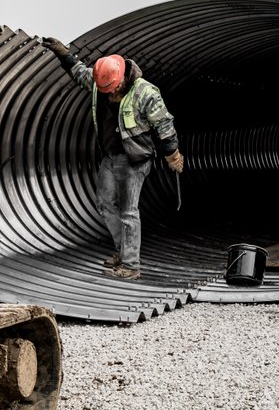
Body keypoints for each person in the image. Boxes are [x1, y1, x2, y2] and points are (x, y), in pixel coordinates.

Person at [43, 37, 184, 280]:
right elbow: (78, 73)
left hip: (135, 159)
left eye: (112, 90)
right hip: (111, 155)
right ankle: (122, 251)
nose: (109, 95)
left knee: (129, 212)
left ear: (121, 80)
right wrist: (63, 53)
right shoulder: (100, 82)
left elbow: (164, 124)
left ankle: (131, 265)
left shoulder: (144, 92)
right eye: (104, 91)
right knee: (104, 203)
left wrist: (172, 154)